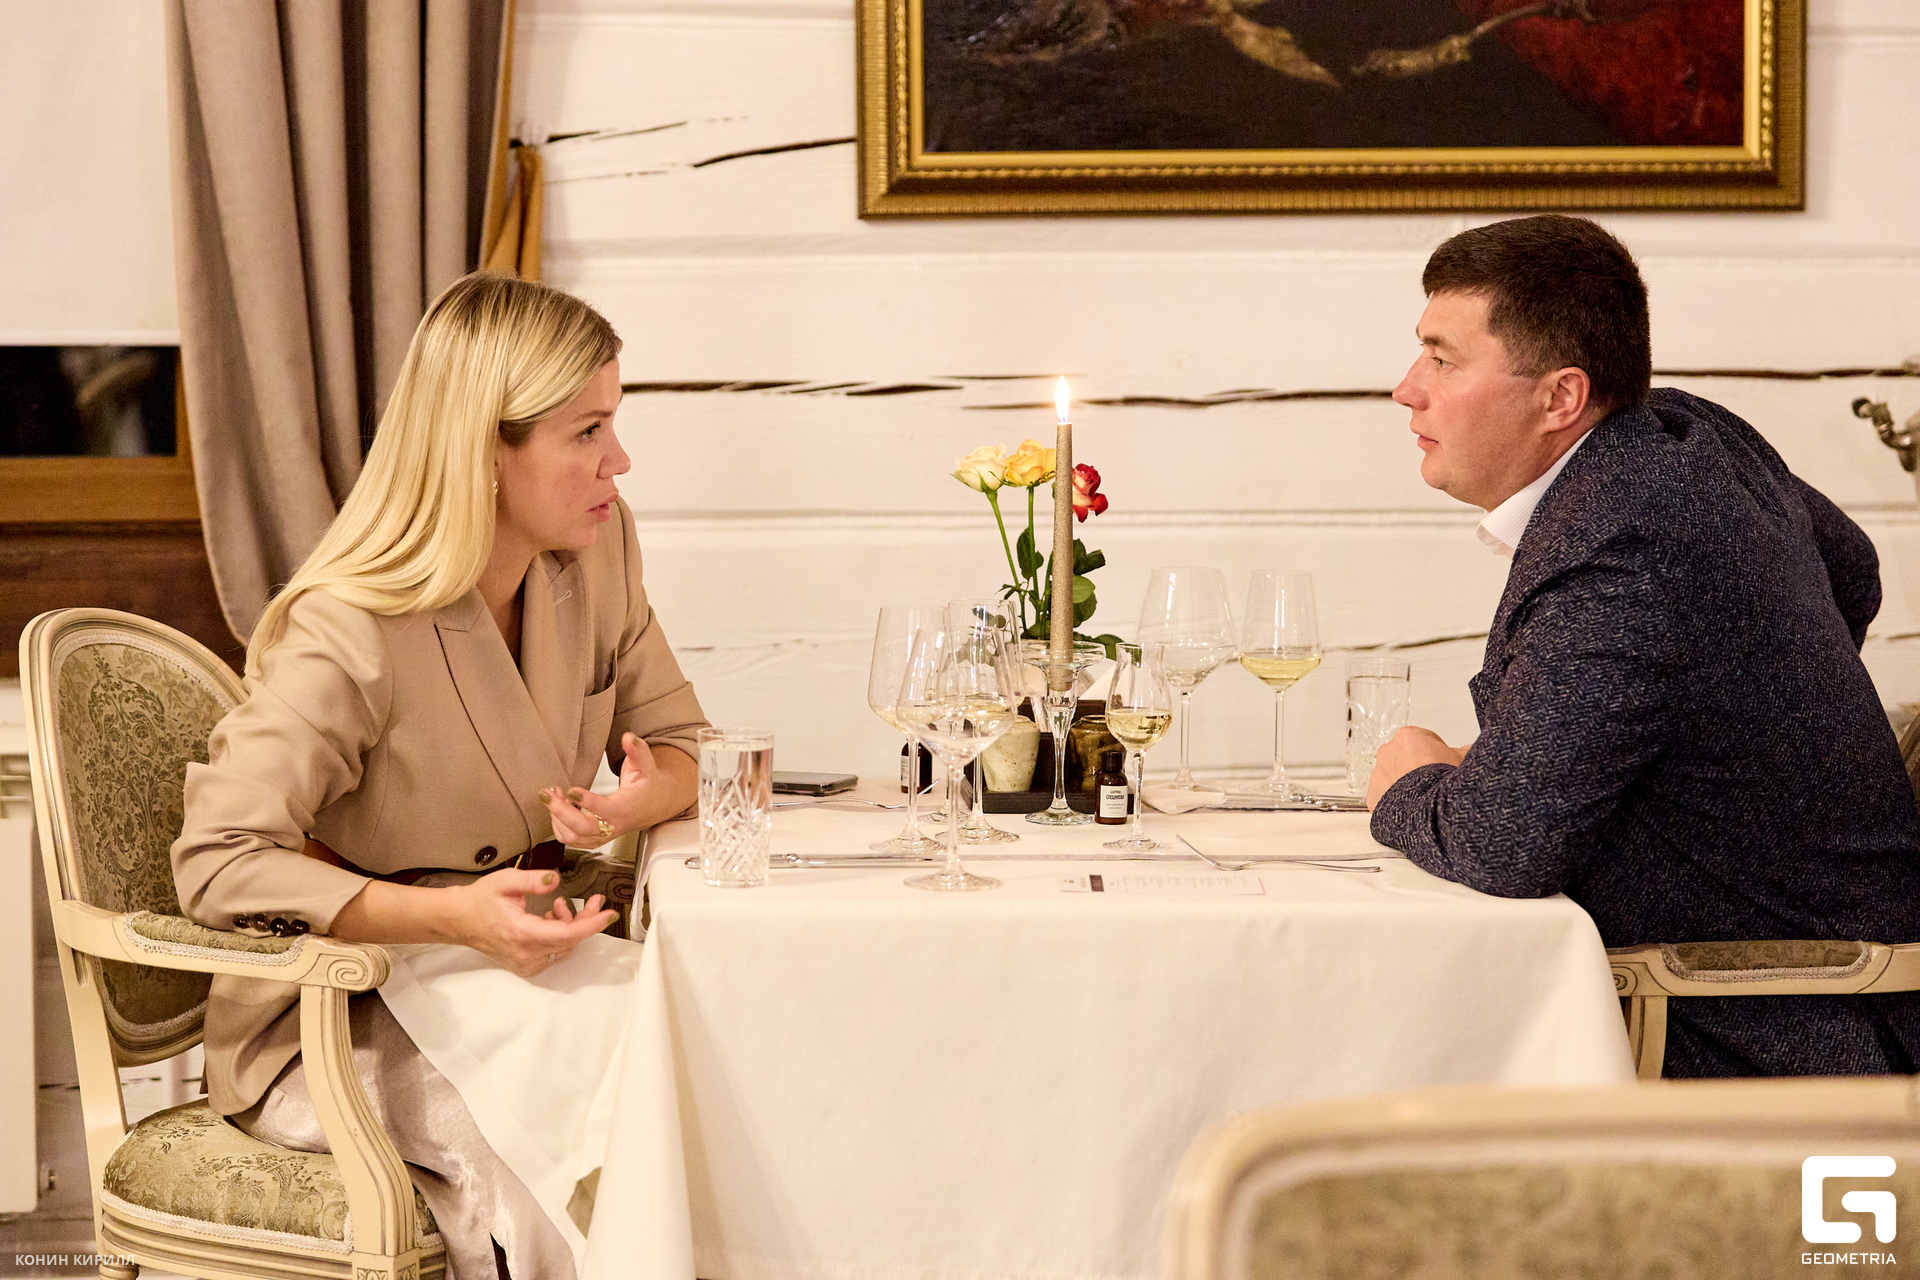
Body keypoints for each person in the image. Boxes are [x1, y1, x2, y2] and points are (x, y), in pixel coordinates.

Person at [171, 272, 708, 1278]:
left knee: (691, 1059)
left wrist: (640, 799)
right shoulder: (348, 627)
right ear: (486, 450)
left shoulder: (596, 553)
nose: (620, 460)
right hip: (343, 1007)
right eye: (587, 430)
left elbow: (682, 741)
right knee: (592, 1135)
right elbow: (218, 860)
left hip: (529, 964)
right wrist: (453, 918)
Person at [1365, 214, 1920, 1078]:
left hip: (1764, 1034)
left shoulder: (1624, 542)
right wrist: (1702, 736)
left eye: (1443, 359)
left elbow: (1502, 844)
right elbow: (1851, 568)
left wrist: (1409, 780)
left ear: (1560, 398)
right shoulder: (1685, 431)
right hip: (1782, 996)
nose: (1408, 389)